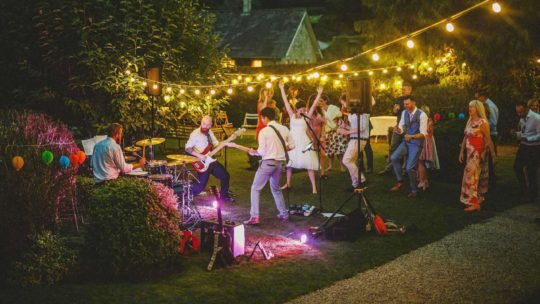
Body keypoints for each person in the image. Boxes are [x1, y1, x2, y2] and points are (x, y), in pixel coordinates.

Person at [229, 107, 294, 225]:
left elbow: (262, 152)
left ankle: (254, 217)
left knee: (255, 188)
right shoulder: (284, 128)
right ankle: (284, 214)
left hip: (268, 163)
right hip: (280, 164)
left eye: (262, 118)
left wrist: (252, 151)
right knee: (276, 188)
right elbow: (292, 145)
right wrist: (280, 150)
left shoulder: (264, 131)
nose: (262, 121)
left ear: (265, 117)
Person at [279, 81, 321, 194]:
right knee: (289, 164)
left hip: (303, 142)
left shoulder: (306, 117)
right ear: (296, 109)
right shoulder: (292, 116)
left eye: (304, 109)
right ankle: (288, 183)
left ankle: (314, 187)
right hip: (292, 142)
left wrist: (319, 94)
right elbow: (285, 102)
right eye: (300, 110)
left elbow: (313, 106)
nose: (303, 111)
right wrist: (282, 89)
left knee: (309, 165)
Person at [185, 115, 233, 202]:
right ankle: (185, 196)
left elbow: (216, 144)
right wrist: (199, 156)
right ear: (201, 122)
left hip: (210, 160)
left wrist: (226, 143)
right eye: (204, 124)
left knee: (225, 176)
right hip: (201, 162)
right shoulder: (195, 134)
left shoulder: (210, 132)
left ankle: (224, 196)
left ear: (211, 125)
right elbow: (187, 148)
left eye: (208, 125)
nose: (205, 126)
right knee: (200, 186)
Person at [459, 100, 496, 212]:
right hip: (469, 153)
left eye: (472, 107)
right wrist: (461, 151)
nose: (470, 109)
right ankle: (477, 198)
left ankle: (474, 203)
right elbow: (465, 137)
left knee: (471, 177)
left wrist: (491, 154)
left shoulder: (482, 122)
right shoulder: (470, 121)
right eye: (469, 107)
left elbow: (488, 139)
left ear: (478, 109)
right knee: (471, 176)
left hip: (477, 153)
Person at [389, 96, 428, 199]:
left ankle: (414, 190)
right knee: (393, 158)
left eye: (407, 104)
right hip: (406, 142)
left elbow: (423, 134)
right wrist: (398, 130)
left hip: (416, 143)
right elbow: (402, 127)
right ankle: (400, 181)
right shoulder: (404, 113)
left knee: (409, 168)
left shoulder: (422, 115)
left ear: (414, 103)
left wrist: (411, 136)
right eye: (404, 104)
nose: (405, 106)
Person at [379, 83, 413, 174]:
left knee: (407, 149)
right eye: (402, 89)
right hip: (398, 127)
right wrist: (395, 110)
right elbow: (394, 113)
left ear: (410, 89)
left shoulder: (413, 100)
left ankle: (405, 170)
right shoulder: (398, 99)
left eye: (405, 89)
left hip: (408, 128)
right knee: (393, 147)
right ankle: (388, 169)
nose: (403, 91)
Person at [338, 102, 370, 191]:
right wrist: (345, 127)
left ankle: (362, 180)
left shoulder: (364, 114)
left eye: (343, 104)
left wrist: (347, 132)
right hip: (355, 139)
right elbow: (354, 128)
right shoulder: (352, 115)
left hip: (359, 139)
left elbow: (362, 128)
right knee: (351, 161)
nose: (343, 106)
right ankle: (355, 184)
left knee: (346, 160)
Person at [513, 101, 540, 202]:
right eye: (517, 112)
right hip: (523, 147)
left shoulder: (536, 118)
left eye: (521, 112)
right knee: (517, 167)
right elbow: (525, 132)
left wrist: (528, 139)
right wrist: (516, 133)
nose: (519, 114)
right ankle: (523, 190)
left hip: (534, 148)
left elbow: (539, 134)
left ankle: (532, 195)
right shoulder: (522, 119)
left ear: (526, 109)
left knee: (530, 171)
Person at [475, 89, 498, 187]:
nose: (476, 100)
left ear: (482, 97)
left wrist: (483, 126)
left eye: (477, 98)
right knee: (486, 161)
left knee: (489, 161)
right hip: (488, 133)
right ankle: (489, 181)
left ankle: (491, 182)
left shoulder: (490, 106)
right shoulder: (488, 105)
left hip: (490, 134)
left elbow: (493, 122)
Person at [417, 105, 440, 190]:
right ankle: (425, 180)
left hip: (422, 142)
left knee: (420, 162)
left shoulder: (421, 121)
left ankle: (421, 181)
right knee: (424, 163)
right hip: (428, 142)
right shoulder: (430, 120)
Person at [322, 94, 347, 172]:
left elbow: (340, 115)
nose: (319, 102)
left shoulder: (332, 107)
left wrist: (336, 122)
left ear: (325, 101)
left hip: (336, 130)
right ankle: (330, 166)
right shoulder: (320, 110)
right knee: (329, 150)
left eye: (321, 100)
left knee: (339, 149)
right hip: (327, 132)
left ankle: (342, 166)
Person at [307, 93, 327, 178]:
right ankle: (314, 172)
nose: (319, 102)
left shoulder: (320, 111)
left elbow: (324, 124)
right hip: (311, 133)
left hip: (319, 133)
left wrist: (322, 135)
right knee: (313, 154)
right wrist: (310, 138)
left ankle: (322, 172)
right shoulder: (308, 111)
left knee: (322, 154)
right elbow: (306, 126)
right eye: (317, 100)